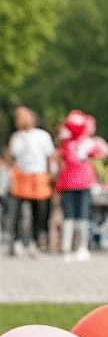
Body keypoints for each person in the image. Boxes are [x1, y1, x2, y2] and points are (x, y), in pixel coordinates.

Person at [54, 110, 108, 261]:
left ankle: (79, 247)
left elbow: (102, 152)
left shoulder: (82, 143)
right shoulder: (69, 143)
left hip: (77, 183)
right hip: (75, 183)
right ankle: (71, 247)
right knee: (73, 217)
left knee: (79, 217)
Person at [4, 107, 55, 257]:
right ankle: (17, 241)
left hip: (38, 176)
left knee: (38, 212)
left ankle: (35, 241)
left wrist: (51, 172)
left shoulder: (42, 136)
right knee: (16, 212)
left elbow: (50, 156)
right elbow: (11, 157)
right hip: (20, 177)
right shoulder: (16, 138)